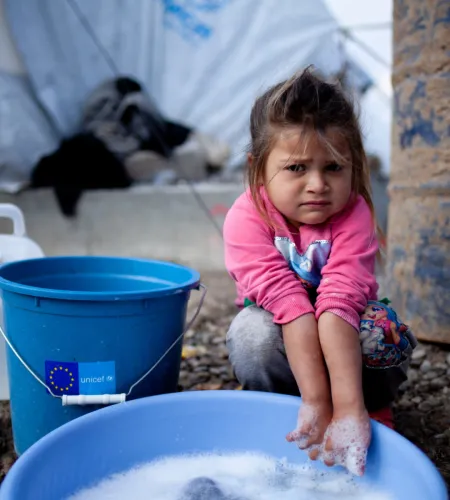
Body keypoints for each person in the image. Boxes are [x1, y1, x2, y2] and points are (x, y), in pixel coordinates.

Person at [223, 67, 417, 477]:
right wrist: (317, 401)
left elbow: (339, 303)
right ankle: (286, 407)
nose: (317, 184)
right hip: (285, 333)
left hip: (345, 335)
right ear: (258, 168)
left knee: (380, 330)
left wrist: (347, 409)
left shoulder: (353, 213)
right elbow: (291, 307)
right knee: (251, 335)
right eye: (296, 168)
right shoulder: (246, 217)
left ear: (353, 166)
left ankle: (371, 405)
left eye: (333, 167)